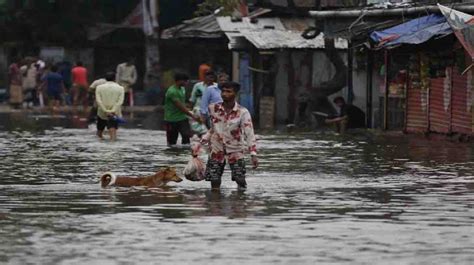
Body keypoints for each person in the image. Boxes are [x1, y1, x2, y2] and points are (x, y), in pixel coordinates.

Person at [201, 81, 258, 190]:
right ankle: (215, 204)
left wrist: (253, 153)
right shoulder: (213, 109)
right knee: (214, 179)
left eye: (228, 91)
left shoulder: (242, 112)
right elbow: (213, 128)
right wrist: (204, 139)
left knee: (240, 180)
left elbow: (249, 133)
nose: (224, 94)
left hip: (235, 149)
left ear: (235, 94)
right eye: (223, 91)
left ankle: (240, 202)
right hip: (216, 149)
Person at [163, 72, 200, 146]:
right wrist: (193, 116)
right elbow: (180, 106)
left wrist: (191, 107)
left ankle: (185, 154)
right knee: (172, 143)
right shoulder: (172, 91)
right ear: (179, 81)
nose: (187, 82)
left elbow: (182, 103)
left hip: (182, 118)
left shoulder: (182, 89)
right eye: (185, 81)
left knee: (186, 137)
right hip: (171, 119)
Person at [95, 72, 125, 141]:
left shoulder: (99, 87)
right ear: (115, 79)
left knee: (99, 133)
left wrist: (106, 111)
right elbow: (120, 102)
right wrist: (112, 111)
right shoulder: (120, 88)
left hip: (101, 113)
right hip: (114, 113)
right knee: (112, 133)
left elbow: (98, 101)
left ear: (105, 79)